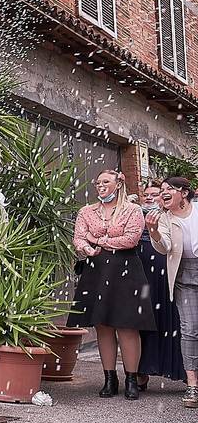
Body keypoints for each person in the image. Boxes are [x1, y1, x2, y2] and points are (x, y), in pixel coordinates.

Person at [68, 170, 155, 400]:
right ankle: (109, 378)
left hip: (126, 270)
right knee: (103, 325)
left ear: (118, 184)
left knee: (128, 326)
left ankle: (131, 379)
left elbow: (131, 239)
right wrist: (87, 248)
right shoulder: (86, 211)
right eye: (97, 182)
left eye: (105, 181)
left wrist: (98, 240)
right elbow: (78, 238)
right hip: (96, 270)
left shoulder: (133, 209)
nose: (100, 185)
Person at [145, 176, 198, 408]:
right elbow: (164, 246)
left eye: (169, 189)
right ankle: (192, 385)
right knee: (190, 329)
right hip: (184, 276)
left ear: (184, 193)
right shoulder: (164, 218)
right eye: (162, 190)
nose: (163, 192)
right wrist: (154, 231)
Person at [137, 180, 186, 388]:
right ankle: (142, 370)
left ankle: (183, 371)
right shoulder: (136, 215)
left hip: (169, 270)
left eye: (154, 193)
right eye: (145, 194)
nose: (149, 197)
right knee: (145, 319)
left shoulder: (171, 216)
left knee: (175, 319)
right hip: (143, 273)